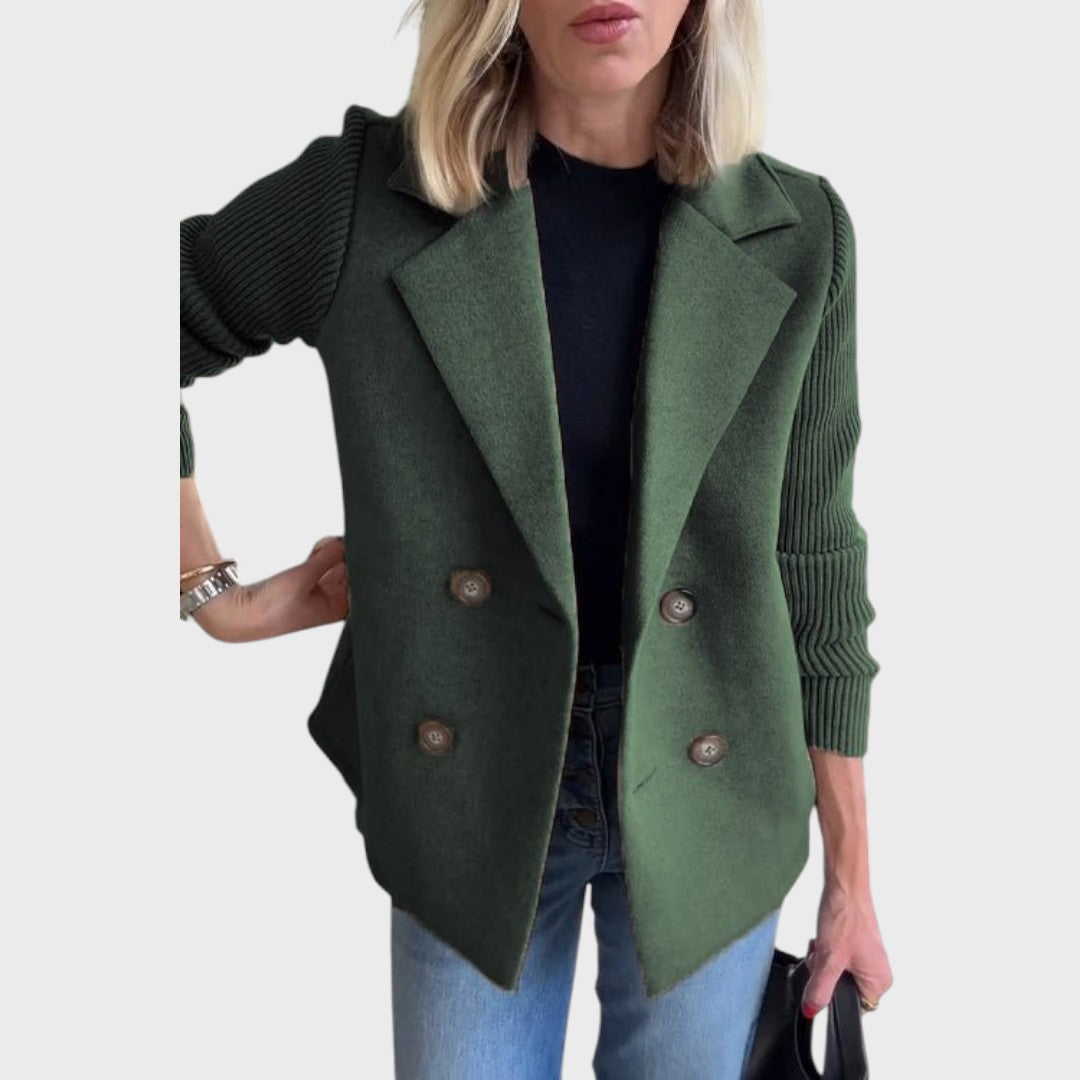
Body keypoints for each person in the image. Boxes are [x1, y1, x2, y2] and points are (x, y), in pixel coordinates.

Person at [179, 1, 893, 1075]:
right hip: (469, 785)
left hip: (719, 784)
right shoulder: (365, 201)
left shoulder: (799, 231)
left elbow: (818, 557)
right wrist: (211, 588)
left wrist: (852, 880)